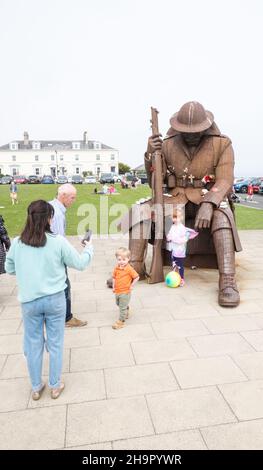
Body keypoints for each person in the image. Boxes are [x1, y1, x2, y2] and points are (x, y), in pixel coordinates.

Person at [121, 101, 242, 307]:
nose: (191, 135)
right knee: (141, 211)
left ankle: (228, 281)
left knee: (222, 217)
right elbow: (154, 182)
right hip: (176, 197)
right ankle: (134, 268)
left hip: (206, 196)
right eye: (186, 131)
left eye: (196, 131)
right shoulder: (168, 144)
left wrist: (210, 203)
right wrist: (151, 155)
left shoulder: (222, 143)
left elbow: (225, 180)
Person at [5, 200, 93, 400]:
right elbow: (80, 263)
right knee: (55, 343)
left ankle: (36, 387)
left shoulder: (18, 243)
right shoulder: (58, 241)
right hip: (55, 300)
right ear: (48, 218)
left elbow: (9, 268)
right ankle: (55, 385)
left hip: (29, 302)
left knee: (33, 344)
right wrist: (89, 248)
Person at [49, 184, 87, 327]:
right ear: (63, 196)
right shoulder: (57, 214)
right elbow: (59, 241)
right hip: (54, 257)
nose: (74, 200)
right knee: (64, 285)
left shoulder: (51, 205)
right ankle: (67, 318)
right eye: (72, 197)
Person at [166, 207, 198, 286]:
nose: (176, 219)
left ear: (181, 218)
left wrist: (175, 239)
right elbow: (170, 235)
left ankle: (181, 279)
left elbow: (184, 239)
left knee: (180, 265)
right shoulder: (173, 227)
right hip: (173, 249)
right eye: (174, 217)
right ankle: (174, 277)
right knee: (174, 264)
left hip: (180, 250)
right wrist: (169, 237)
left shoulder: (182, 228)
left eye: (177, 217)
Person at [112, 247, 139, 329]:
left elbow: (137, 277)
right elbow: (114, 277)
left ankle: (121, 322)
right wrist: (113, 286)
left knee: (121, 308)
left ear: (128, 259)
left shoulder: (129, 269)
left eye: (124, 259)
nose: (122, 261)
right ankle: (126, 309)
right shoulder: (116, 268)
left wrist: (131, 286)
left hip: (125, 291)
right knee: (118, 304)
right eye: (119, 259)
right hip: (117, 291)